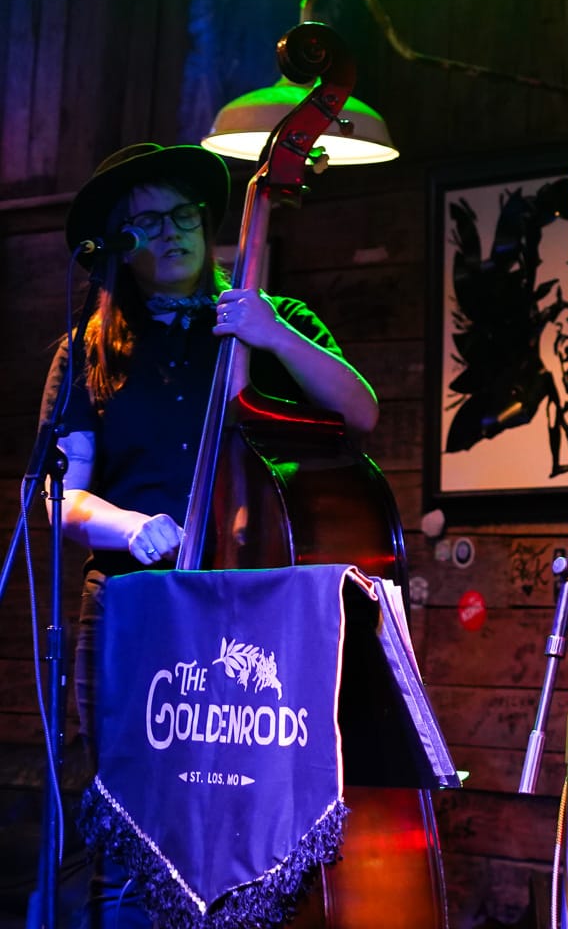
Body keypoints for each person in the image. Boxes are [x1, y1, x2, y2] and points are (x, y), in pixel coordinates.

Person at [39, 142, 379, 926]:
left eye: (184, 214)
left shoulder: (268, 320)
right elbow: (65, 500)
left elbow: (360, 414)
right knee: (129, 819)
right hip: (131, 611)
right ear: (120, 248)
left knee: (243, 812)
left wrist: (273, 335)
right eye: (148, 223)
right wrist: (131, 527)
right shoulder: (90, 351)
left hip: (247, 613)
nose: (172, 233)